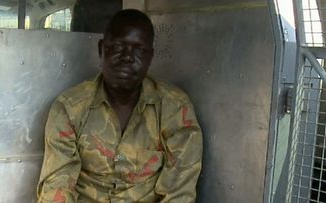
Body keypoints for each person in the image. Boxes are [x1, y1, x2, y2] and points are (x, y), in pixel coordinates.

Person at [37, 9, 202, 203]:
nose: (127, 57)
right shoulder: (70, 108)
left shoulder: (174, 108)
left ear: (150, 57)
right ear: (101, 49)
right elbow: (57, 188)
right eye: (117, 47)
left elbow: (179, 194)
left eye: (139, 50)